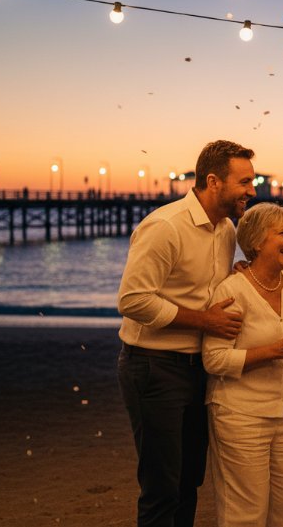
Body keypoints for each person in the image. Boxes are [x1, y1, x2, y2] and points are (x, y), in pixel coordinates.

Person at [116, 139, 256, 527]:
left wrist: (241, 274)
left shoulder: (226, 229)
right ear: (214, 181)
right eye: (244, 181)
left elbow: (208, 286)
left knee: (190, 480)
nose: (253, 190)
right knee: (162, 486)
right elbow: (132, 300)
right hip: (154, 366)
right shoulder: (165, 226)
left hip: (199, 368)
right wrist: (204, 321)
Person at [202, 203, 283, 527]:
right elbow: (214, 359)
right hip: (240, 415)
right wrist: (271, 352)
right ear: (258, 242)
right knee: (245, 512)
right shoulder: (232, 290)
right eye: (282, 233)